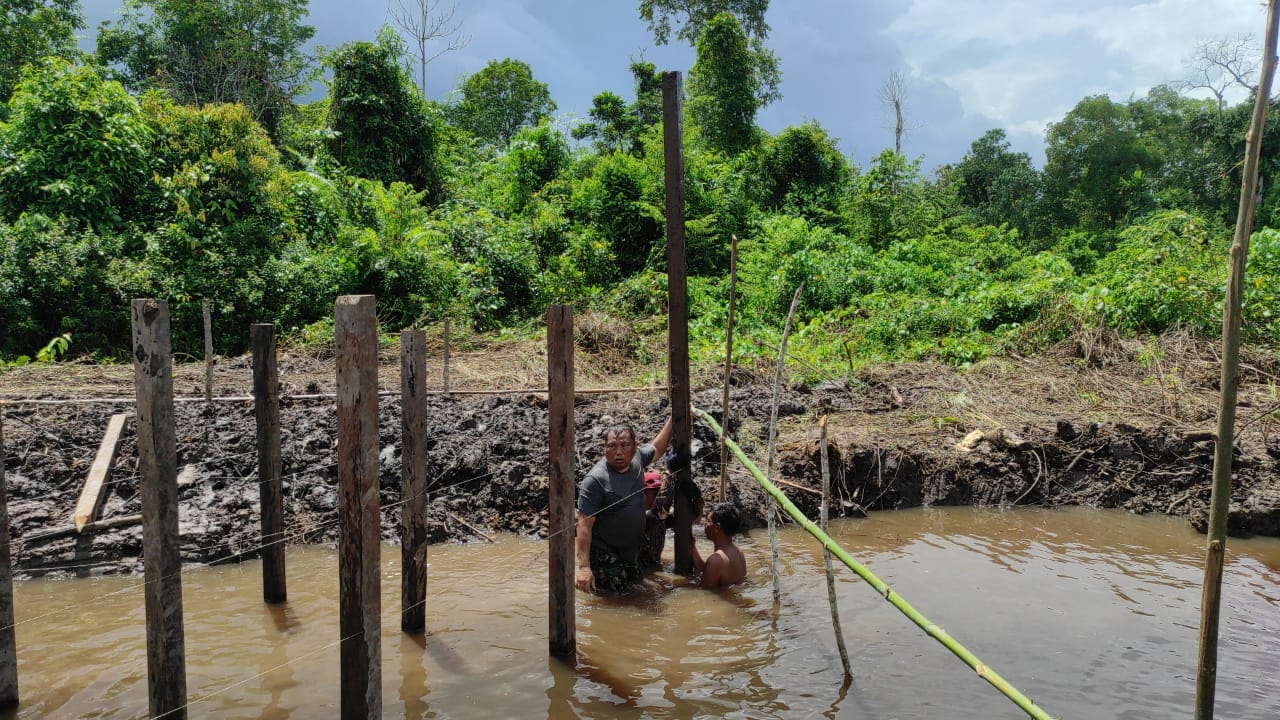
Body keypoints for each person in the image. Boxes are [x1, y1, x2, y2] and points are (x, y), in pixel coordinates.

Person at [576, 416, 672, 594]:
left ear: (635, 446)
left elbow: (658, 448)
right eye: (612, 446)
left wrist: (673, 420)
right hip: (606, 556)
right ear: (604, 449)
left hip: (630, 552)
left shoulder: (637, 460)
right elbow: (583, 524)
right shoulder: (595, 480)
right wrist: (583, 568)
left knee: (632, 596)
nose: (618, 452)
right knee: (614, 602)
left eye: (624, 445)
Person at [690, 502, 747, 589]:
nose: (705, 525)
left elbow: (703, 594)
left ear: (717, 527)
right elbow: (707, 570)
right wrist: (692, 547)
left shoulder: (716, 561)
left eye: (708, 521)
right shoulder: (739, 553)